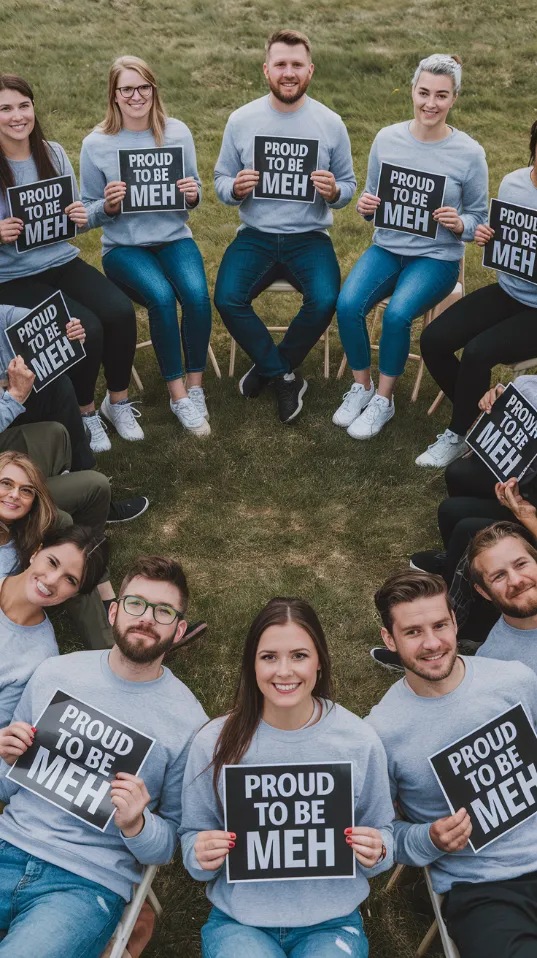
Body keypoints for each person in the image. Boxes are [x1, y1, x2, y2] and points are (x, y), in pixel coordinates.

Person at [0, 555, 207, 958]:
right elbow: (6, 789)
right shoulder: (53, 674)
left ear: (179, 629)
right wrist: (5, 756)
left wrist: (136, 823)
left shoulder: (190, 725)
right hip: (8, 845)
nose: (146, 618)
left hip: (86, 883)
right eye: (135, 604)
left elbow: (166, 846)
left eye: (163, 611)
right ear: (114, 610)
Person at [180, 597, 393, 957]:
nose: (284, 671)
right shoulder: (213, 742)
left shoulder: (358, 741)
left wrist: (379, 850)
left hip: (332, 921)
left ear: (320, 663)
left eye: (299, 655)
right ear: (252, 664)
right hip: (240, 922)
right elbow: (191, 837)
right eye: (269, 657)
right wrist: (198, 853)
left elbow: (383, 834)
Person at [367, 569, 537, 958]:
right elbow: (380, 836)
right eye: (412, 633)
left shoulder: (515, 680)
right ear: (389, 640)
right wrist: (430, 839)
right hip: (483, 890)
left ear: (455, 622)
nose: (432, 643)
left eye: (440, 625)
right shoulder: (380, 735)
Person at [334, 54, 487, 440]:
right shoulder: (387, 138)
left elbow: (479, 219)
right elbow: (370, 196)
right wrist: (366, 206)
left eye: (441, 95)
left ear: (454, 99)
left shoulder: (470, 153)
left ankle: (384, 401)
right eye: (423, 93)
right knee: (348, 304)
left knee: (398, 314)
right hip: (388, 247)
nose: (430, 103)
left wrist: (460, 223)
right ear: (413, 92)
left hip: (436, 258)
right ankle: (362, 386)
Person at [214, 30, 356, 424]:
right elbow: (220, 179)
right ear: (266, 70)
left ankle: (269, 368)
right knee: (227, 297)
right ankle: (284, 376)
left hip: (309, 238)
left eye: (296, 65)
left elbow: (349, 186)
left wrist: (333, 191)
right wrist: (235, 187)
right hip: (255, 235)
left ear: (310, 70)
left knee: (326, 299)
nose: (288, 73)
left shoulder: (330, 122)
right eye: (281, 65)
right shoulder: (241, 119)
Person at [0, 74, 141, 454]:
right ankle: (85, 412)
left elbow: (77, 220)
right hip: (11, 276)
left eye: (23, 106)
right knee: (86, 328)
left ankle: (118, 401)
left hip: (60, 260)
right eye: (5, 108)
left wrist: (91, 212)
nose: (17, 116)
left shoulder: (53, 152)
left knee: (119, 311)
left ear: (33, 109)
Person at [81, 55, 212, 437]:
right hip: (124, 248)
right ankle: (178, 396)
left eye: (143, 87)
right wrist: (107, 206)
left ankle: (196, 386)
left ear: (153, 90)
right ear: (114, 96)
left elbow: (196, 189)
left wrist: (192, 195)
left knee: (197, 296)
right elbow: (86, 213)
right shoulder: (97, 143)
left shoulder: (177, 132)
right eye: (127, 89)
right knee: (159, 296)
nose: (136, 96)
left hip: (173, 239)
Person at [417, 119, 537, 467]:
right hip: (508, 290)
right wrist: (488, 237)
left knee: (477, 351)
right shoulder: (514, 183)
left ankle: (458, 434)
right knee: (433, 340)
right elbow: (502, 234)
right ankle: (484, 419)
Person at [0, 523, 107, 727]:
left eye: (70, 579)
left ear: (75, 594)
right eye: (52, 562)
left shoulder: (40, 660)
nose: (51, 580)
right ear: (36, 552)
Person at [0, 302, 95, 471]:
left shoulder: (2, 314)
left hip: (9, 400)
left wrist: (68, 328)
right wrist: (15, 396)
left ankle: (81, 469)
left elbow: (37, 319)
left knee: (58, 384)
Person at [468, 522, 537, 672]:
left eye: (521, 564)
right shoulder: (494, 665)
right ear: (483, 592)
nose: (516, 581)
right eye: (499, 576)